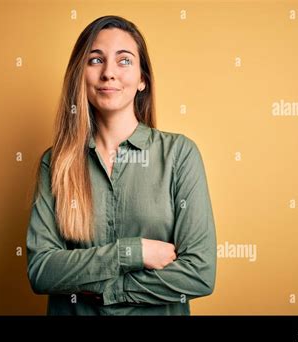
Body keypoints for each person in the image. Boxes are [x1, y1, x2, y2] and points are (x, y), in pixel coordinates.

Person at [26, 15, 217, 315]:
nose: (109, 73)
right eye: (95, 60)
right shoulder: (55, 163)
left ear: (143, 80)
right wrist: (133, 252)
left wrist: (109, 290)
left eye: (124, 60)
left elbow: (199, 273)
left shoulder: (180, 155)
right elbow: (42, 270)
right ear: (80, 75)